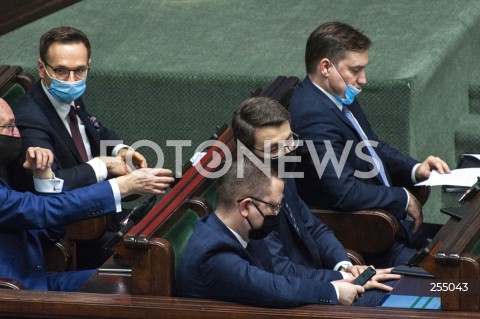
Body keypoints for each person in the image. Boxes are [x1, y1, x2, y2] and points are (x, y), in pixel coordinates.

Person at [288, 21, 450, 267]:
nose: (362, 79)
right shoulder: (312, 117)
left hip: (389, 225)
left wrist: (415, 169)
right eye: (355, 69)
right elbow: (343, 192)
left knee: (457, 245)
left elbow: (371, 146)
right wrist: (402, 198)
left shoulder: (338, 91)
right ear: (325, 67)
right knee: (460, 276)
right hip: (366, 236)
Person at [11, 26, 173, 268]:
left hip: (104, 217)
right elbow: (52, 186)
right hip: (74, 233)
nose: (71, 80)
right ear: (41, 68)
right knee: (157, 262)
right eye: (61, 71)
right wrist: (101, 165)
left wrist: (120, 150)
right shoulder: (29, 120)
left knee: (167, 225)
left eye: (80, 70)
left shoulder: (68, 95)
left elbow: (96, 132)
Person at [0, 98, 174, 291]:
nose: (18, 134)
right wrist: (122, 186)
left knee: (142, 279)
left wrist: (45, 176)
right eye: (8, 127)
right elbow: (42, 210)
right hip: (16, 296)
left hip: (40, 280)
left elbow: (50, 232)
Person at [177, 158, 400, 307]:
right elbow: (274, 288)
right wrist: (335, 292)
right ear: (245, 206)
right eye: (273, 207)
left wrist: (350, 278)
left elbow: (280, 278)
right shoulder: (214, 254)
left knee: (395, 288)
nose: (276, 213)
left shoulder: (242, 229)